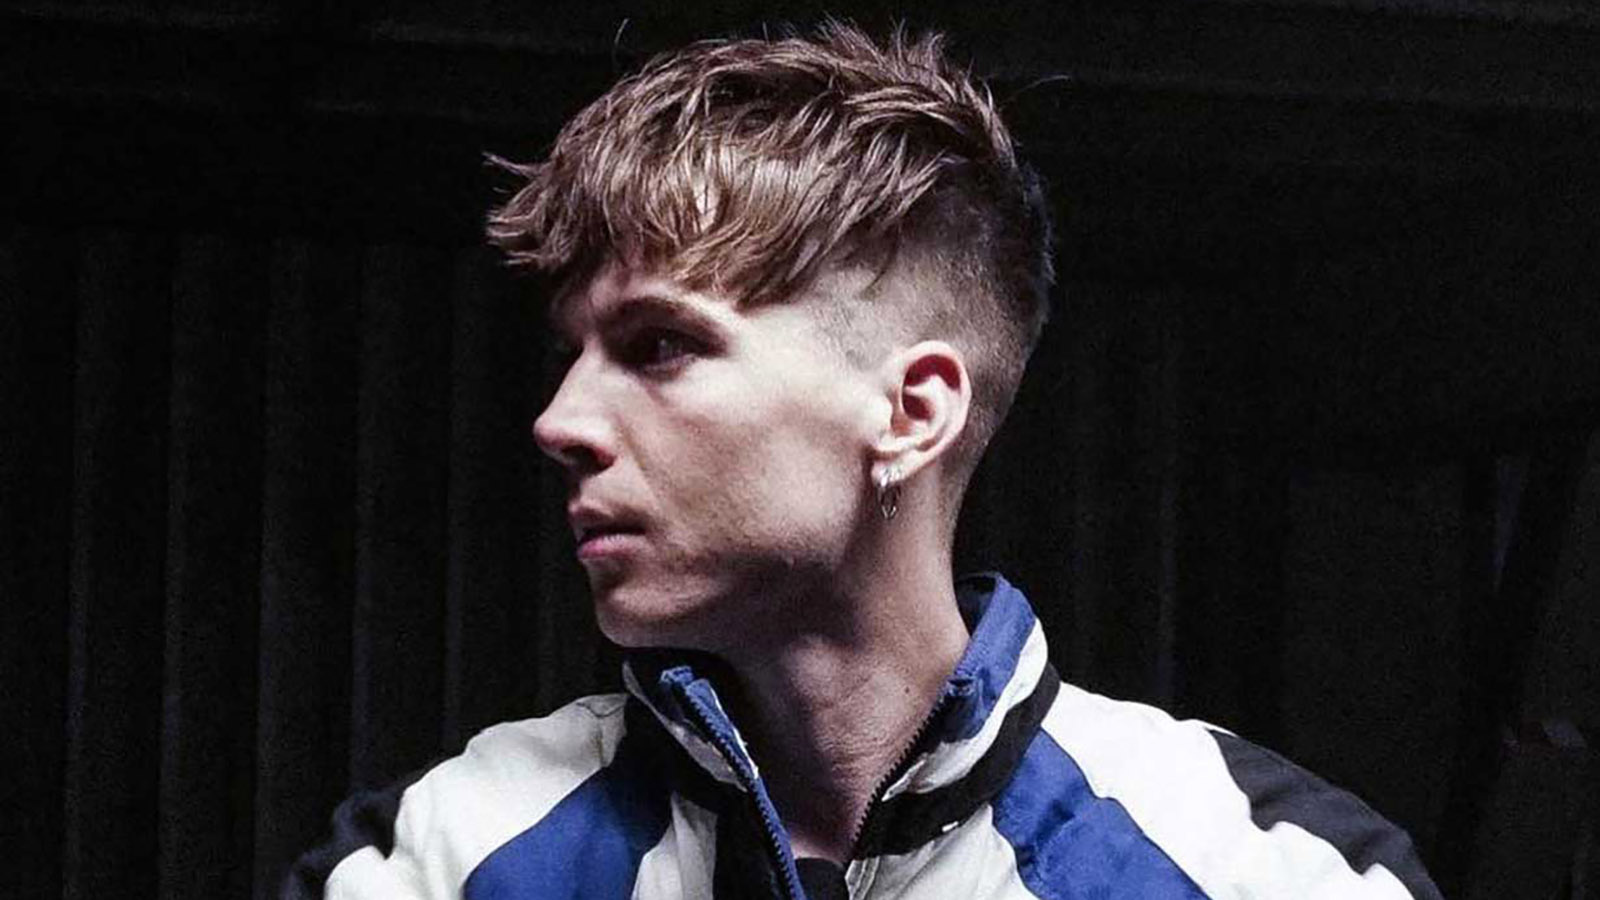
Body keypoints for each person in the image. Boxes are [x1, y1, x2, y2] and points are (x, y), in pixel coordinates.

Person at [285, 23, 1442, 900]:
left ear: (910, 412)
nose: (559, 421)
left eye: (660, 345)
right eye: (571, 353)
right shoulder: (442, 858)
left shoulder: (1265, 873)